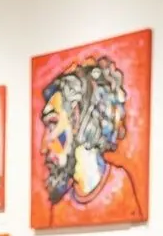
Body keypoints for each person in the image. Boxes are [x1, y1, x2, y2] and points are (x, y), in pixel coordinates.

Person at [38, 58, 143, 225]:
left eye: (52, 123)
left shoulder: (119, 187)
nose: (44, 147)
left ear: (77, 117)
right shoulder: (60, 209)